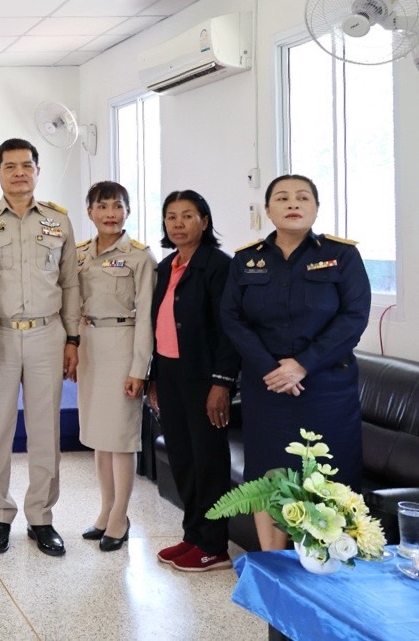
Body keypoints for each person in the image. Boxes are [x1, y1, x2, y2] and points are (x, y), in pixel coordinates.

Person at [221, 174, 371, 551]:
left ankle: (323, 564)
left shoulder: (342, 255)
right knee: (268, 476)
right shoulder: (246, 259)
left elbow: (354, 316)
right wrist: (271, 369)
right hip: (267, 388)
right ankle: (274, 565)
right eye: (283, 198)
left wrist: (302, 365)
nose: (293, 204)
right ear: (268, 210)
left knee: (328, 477)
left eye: (303, 197)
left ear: (316, 208)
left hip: (325, 390)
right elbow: (232, 318)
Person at [0, 138, 79, 557]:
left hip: (47, 334)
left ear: (37, 171)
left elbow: (70, 283)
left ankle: (41, 517)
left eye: (26, 166)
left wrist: (72, 338)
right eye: (10, 166)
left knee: (45, 430)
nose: (19, 173)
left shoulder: (58, 221)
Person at [149, 190, 239, 572]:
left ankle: (214, 545)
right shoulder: (167, 266)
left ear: (204, 220)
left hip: (204, 377)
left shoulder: (219, 266)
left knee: (208, 461)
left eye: (188, 215)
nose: (179, 223)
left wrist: (222, 384)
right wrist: (153, 377)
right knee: (182, 458)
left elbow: (229, 330)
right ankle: (193, 535)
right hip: (168, 373)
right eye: (172, 216)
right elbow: (157, 326)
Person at [73, 182, 156, 552]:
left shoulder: (140, 257)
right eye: (102, 206)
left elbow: (146, 320)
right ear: (89, 211)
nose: (110, 213)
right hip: (90, 346)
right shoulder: (79, 255)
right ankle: (105, 511)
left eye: (117, 206)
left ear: (128, 211)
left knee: (121, 438)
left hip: (123, 346)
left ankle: (121, 517)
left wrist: (139, 369)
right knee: (98, 437)